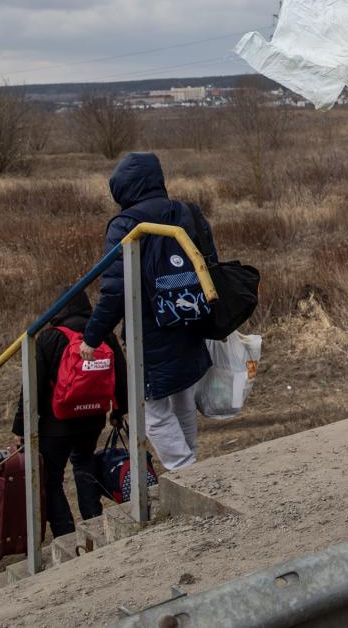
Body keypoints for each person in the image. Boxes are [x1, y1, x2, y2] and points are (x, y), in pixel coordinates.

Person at [80, 151, 217, 471]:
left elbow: (115, 291)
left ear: (124, 188)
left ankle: (185, 472)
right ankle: (191, 470)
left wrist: (92, 336)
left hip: (150, 331)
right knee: (182, 398)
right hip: (190, 318)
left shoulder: (126, 225)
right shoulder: (186, 212)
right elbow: (209, 263)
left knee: (152, 413)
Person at [10, 288, 127, 537]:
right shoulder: (102, 333)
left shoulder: (47, 338)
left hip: (57, 423)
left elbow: (33, 386)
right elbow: (121, 374)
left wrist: (21, 428)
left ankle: (66, 534)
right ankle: (94, 522)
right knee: (84, 463)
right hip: (93, 418)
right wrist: (119, 410)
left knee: (51, 478)